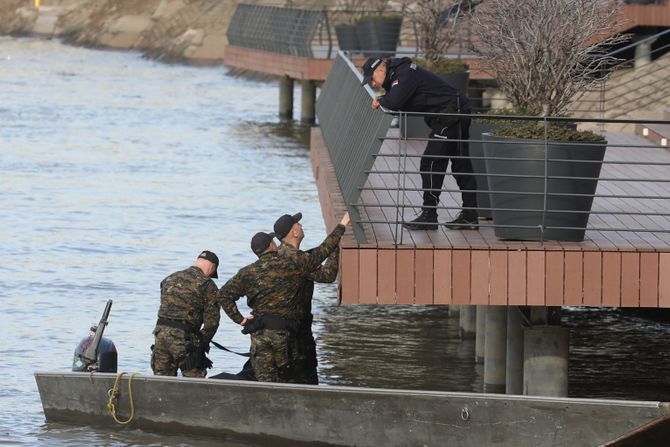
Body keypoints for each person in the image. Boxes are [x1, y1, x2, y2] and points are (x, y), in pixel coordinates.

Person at [218, 213, 349, 383]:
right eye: (298, 224)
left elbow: (223, 295)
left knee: (266, 384)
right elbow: (322, 254)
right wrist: (342, 227)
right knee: (290, 380)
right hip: (288, 335)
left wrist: (241, 320)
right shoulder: (293, 262)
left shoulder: (248, 271)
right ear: (272, 245)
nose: (301, 226)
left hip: (259, 336)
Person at [362, 56, 478, 230]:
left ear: (380, 70)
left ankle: (430, 215)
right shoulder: (400, 73)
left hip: (452, 115)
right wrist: (385, 97)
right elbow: (398, 96)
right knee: (460, 165)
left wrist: (380, 100)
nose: (373, 83)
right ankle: (469, 215)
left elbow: (395, 102)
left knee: (431, 163)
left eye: (372, 79)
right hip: (451, 113)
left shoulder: (405, 74)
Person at [274, 212, 340, 385]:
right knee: (305, 380)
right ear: (294, 233)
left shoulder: (280, 256)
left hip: (277, 329)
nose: (302, 226)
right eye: (298, 224)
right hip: (297, 331)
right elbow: (327, 275)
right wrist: (336, 248)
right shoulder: (298, 261)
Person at [151, 250, 220, 377]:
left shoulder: (169, 278)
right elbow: (212, 323)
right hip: (185, 340)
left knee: (161, 383)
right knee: (195, 384)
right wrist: (201, 344)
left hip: (160, 336)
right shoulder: (208, 284)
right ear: (212, 267)